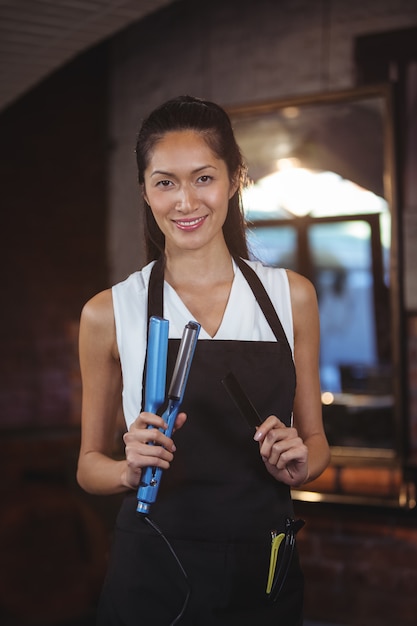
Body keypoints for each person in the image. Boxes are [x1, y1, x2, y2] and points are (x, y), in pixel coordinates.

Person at [77, 95, 330, 625]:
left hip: (261, 568)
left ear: (236, 178)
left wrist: (301, 462)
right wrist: (128, 471)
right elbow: (88, 467)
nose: (185, 202)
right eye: (165, 182)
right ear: (145, 191)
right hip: (151, 566)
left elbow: (317, 446)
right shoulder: (108, 312)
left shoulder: (292, 297)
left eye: (203, 178)